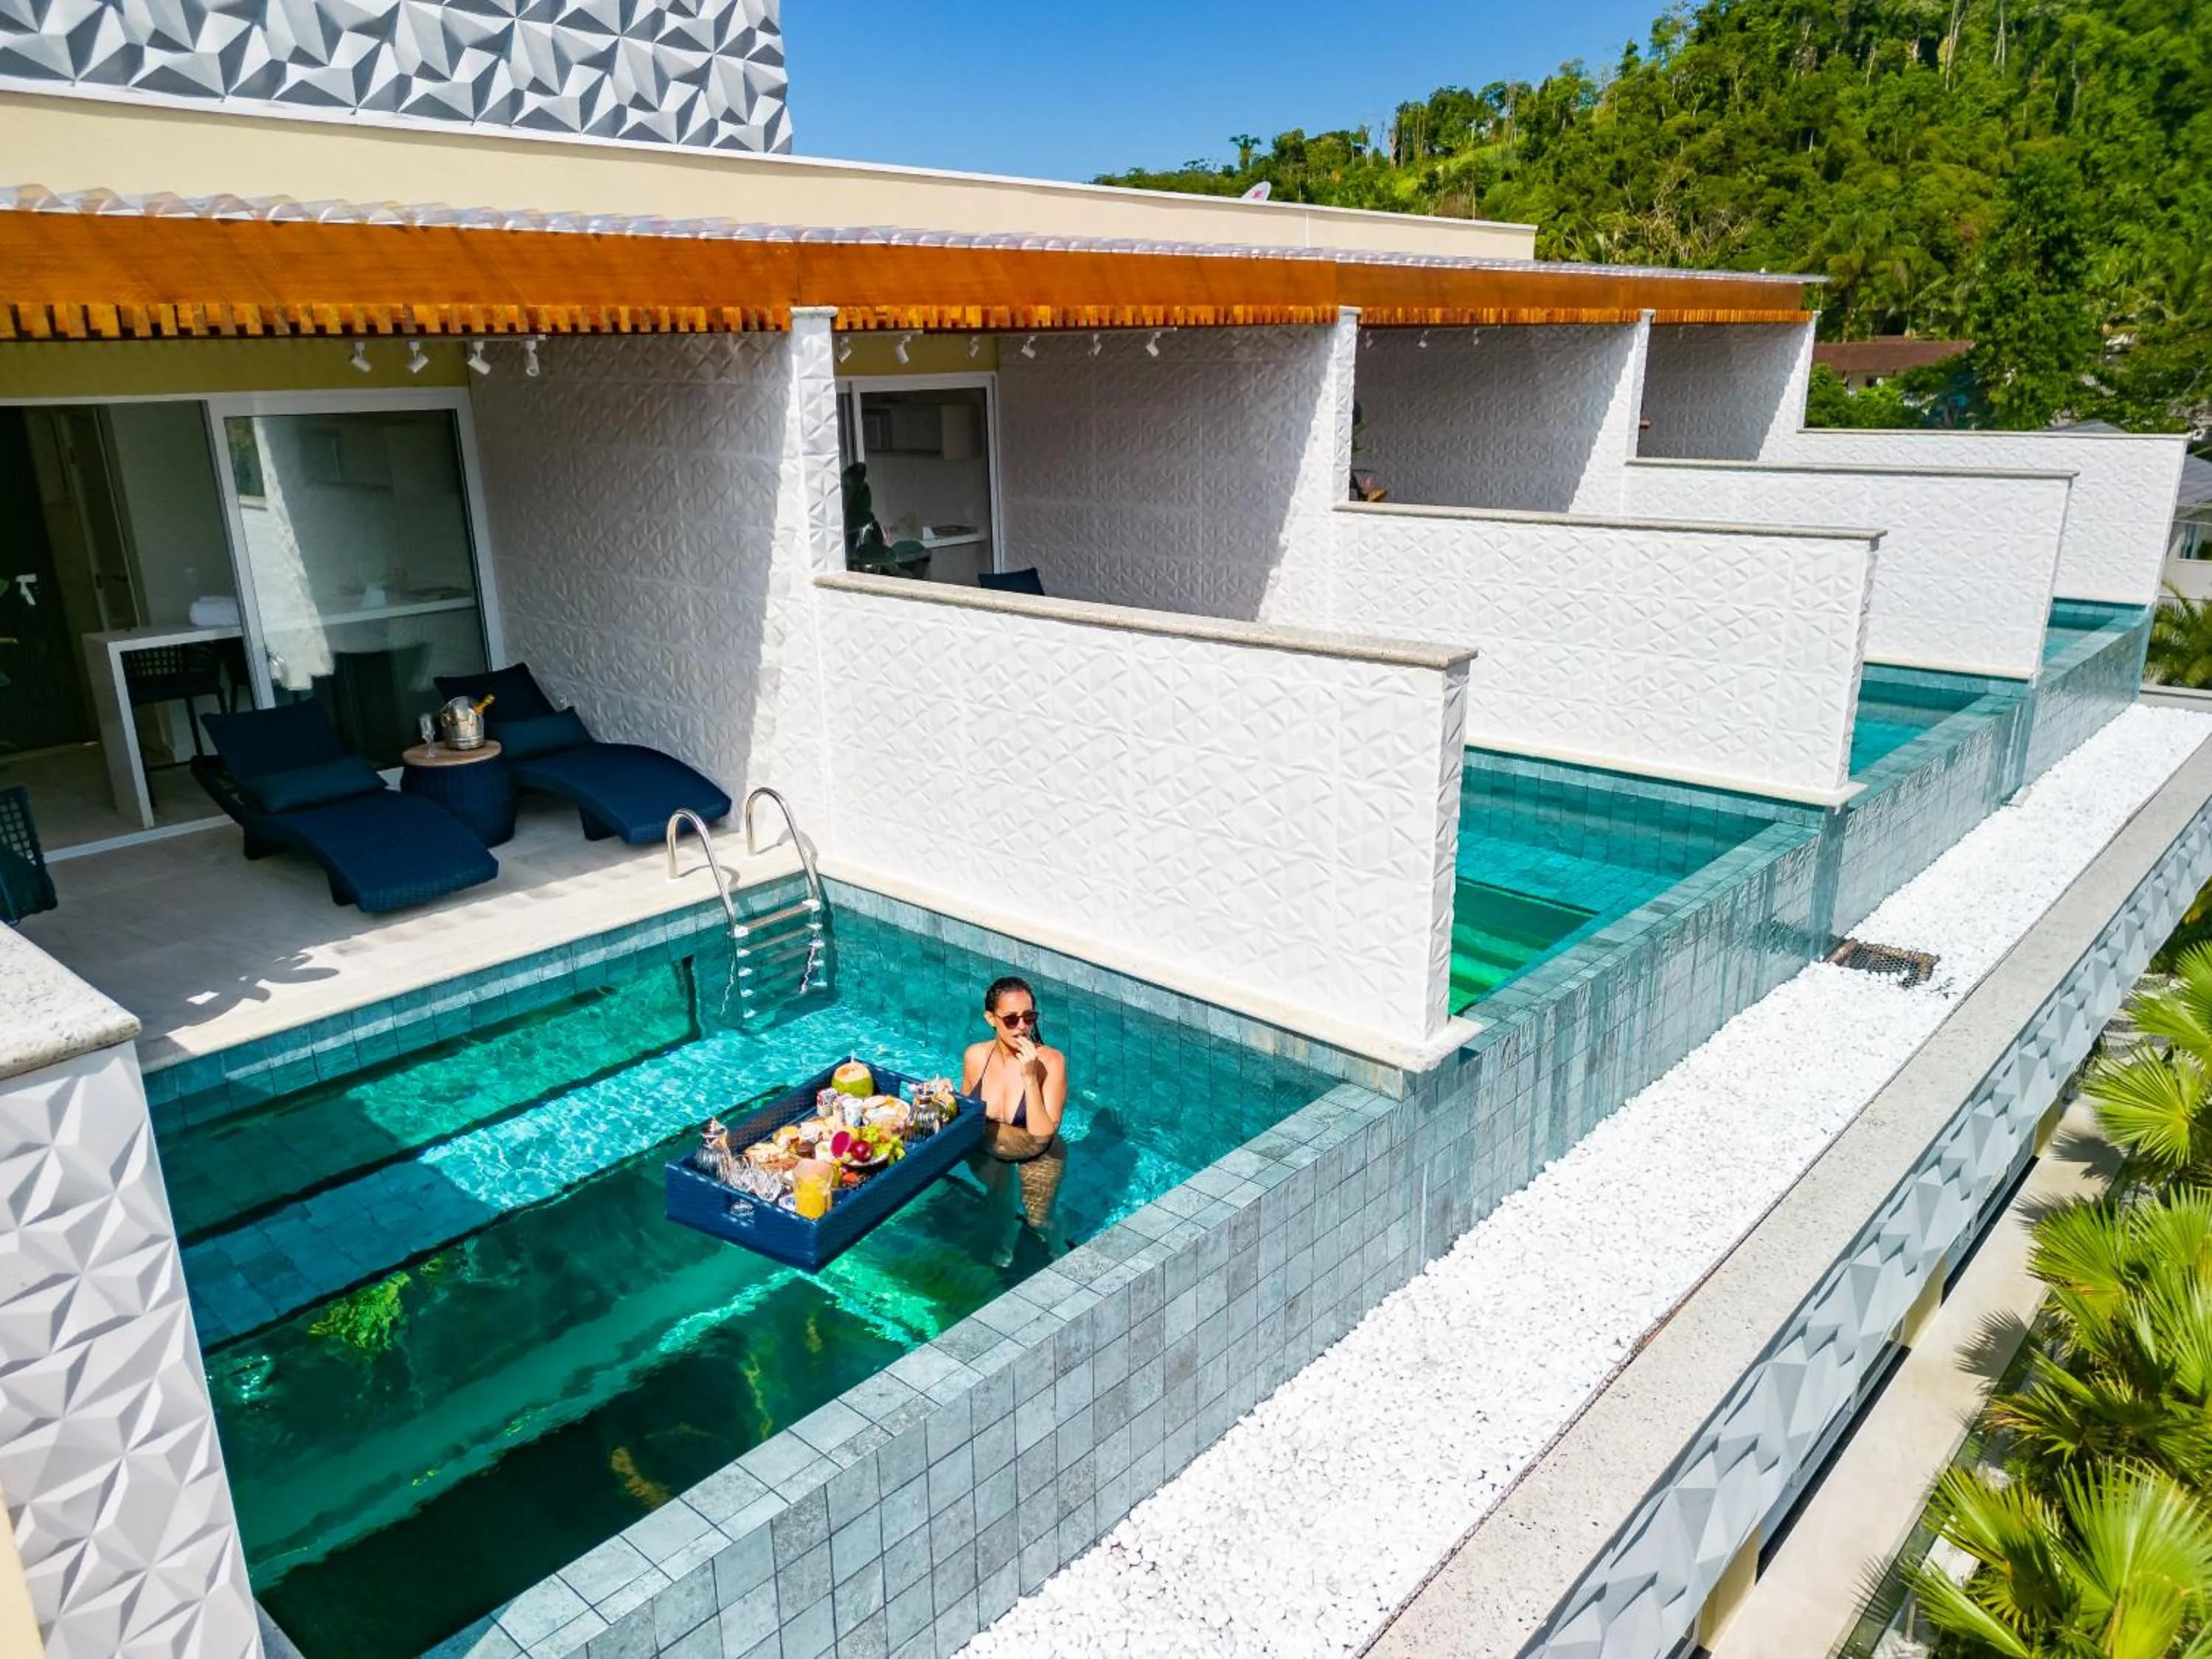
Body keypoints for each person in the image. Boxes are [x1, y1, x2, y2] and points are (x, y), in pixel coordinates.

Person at [963, 975, 1068, 1264]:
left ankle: (1058, 1241)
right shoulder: (975, 1056)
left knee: (1038, 1219)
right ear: (990, 1019)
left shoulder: (1051, 1062)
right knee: (998, 1202)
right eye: (1011, 1019)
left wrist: (1030, 1077)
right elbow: (967, 1117)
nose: (1022, 1027)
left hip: (1039, 1153)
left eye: (1029, 1017)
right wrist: (946, 1100)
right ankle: (1007, 1235)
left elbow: (1043, 1136)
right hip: (991, 1148)